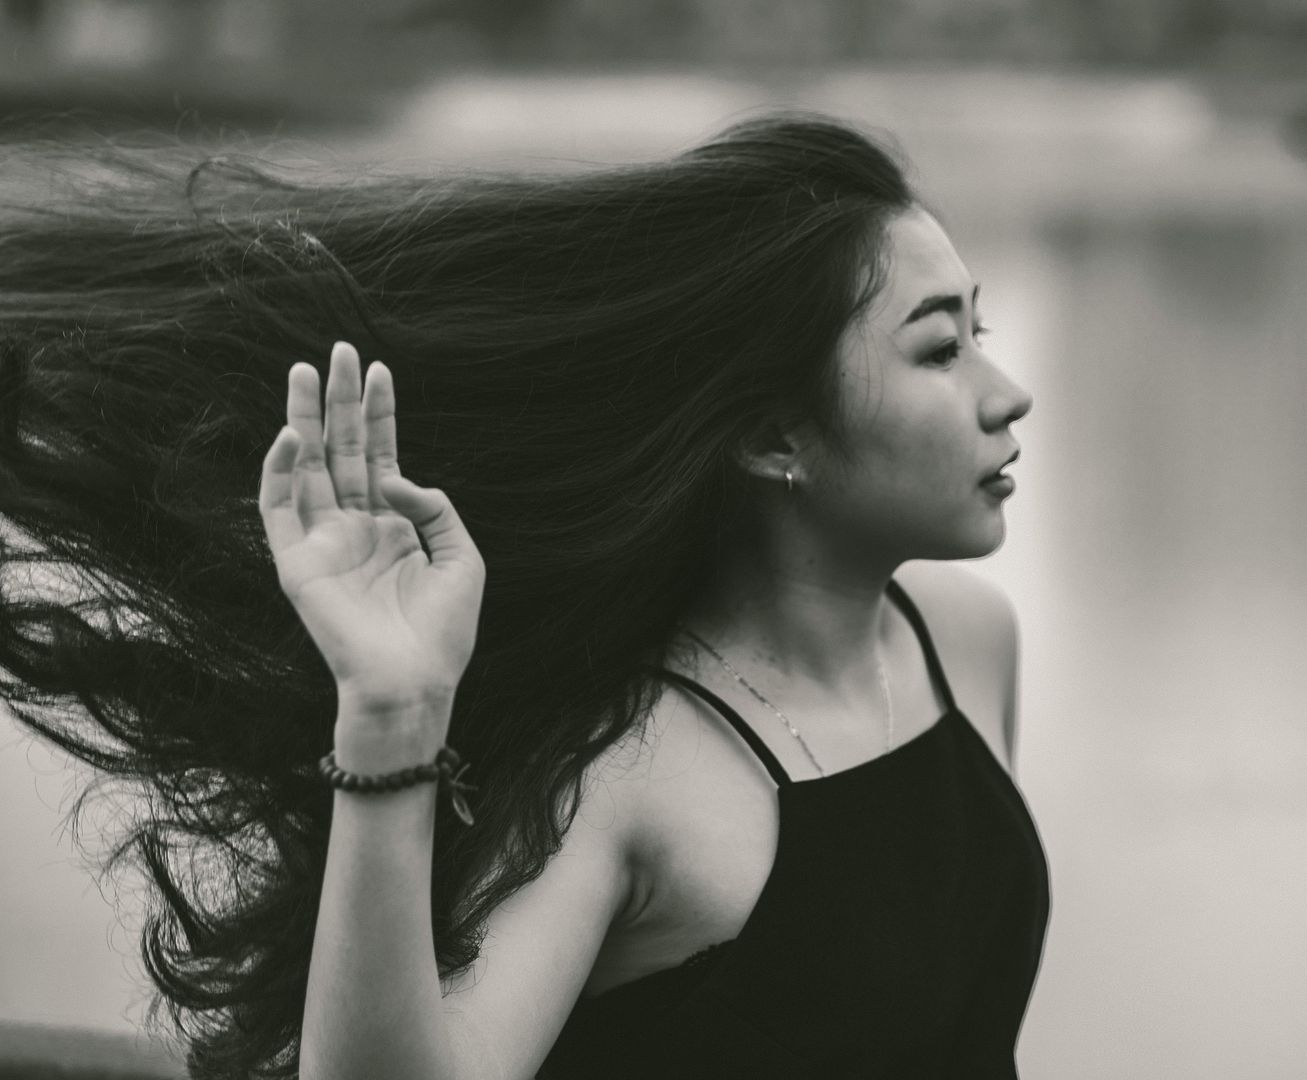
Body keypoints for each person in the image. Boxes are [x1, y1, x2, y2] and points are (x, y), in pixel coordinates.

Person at [0, 112, 1045, 1078]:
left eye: (981, 335)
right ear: (776, 437)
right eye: (941, 349)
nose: (1008, 395)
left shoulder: (967, 645)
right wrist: (390, 714)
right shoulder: (634, 771)